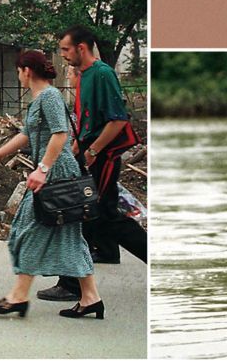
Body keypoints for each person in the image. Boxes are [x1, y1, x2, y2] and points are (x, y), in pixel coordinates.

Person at [0, 50, 105, 320]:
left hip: (57, 172)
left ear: (27, 70)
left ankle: (18, 297)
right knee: (68, 236)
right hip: (50, 171)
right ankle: (91, 298)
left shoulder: (50, 96)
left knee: (27, 229)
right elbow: (26, 135)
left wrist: (43, 169)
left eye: (19, 71)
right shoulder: (38, 99)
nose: (18, 76)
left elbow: (60, 133)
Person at [37, 25, 148, 303]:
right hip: (90, 151)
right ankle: (106, 252)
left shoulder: (102, 74)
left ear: (81, 48)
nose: (62, 55)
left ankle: (73, 283)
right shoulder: (84, 75)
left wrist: (94, 150)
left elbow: (118, 119)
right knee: (96, 213)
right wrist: (76, 148)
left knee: (91, 213)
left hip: (104, 154)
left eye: (65, 49)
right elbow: (88, 120)